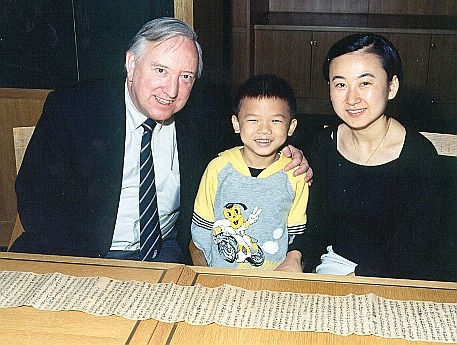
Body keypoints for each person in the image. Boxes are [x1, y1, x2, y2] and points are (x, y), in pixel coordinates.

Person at [10, 17, 312, 264]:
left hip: (164, 252)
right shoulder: (73, 108)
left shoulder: (203, 115)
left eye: (186, 77)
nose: (171, 90)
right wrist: (84, 268)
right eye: (160, 70)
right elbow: (36, 199)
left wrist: (289, 150)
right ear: (131, 64)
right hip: (84, 254)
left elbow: (261, 131)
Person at [301, 33, 443, 280]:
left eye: (365, 83)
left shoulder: (419, 157)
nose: (352, 98)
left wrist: (354, 281)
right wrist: (296, 256)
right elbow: (316, 224)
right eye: (340, 84)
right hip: (336, 264)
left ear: (392, 86)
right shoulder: (324, 144)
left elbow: (414, 248)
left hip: (398, 275)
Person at [190, 74, 308, 272]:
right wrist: (210, 269)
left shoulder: (295, 174)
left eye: (275, 121)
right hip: (221, 275)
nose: (264, 130)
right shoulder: (218, 168)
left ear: (291, 127)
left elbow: (296, 233)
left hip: (274, 279)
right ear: (236, 124)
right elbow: (202, 226)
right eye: (253, 120)